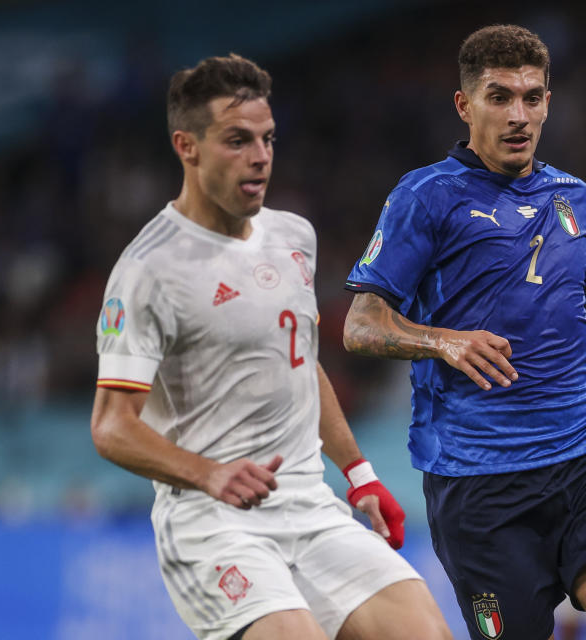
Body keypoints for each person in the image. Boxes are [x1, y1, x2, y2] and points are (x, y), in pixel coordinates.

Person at [343, 25, 586, 640]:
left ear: (549, 102)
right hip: (481, 489)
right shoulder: (425, 197)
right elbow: (360, 325)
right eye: (499, 96)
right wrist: (442, 340)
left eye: (532, 97)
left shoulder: (572, 196)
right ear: (464, 105)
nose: (518, 115)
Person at [90, 53, 452, 640]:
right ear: (187, 146)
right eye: (237, 140)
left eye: (267, 138)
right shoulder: (148, 270)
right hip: (213, 522)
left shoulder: (292, 236)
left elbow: (300, 363)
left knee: (425, 632)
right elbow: (111, 426)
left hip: (310, 507)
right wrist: (208, 474)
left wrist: (358, 473)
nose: (260, 156)